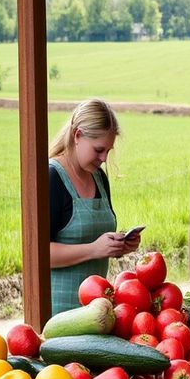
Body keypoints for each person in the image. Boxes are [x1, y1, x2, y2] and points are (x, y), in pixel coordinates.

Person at [48, 99, 140, 316]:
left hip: (96, 313)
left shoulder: (98, 177)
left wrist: (119, 245)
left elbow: (96, 240)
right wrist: (94, 249)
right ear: (77, 136)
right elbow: (39, 254)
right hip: (59, 316)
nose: (104, 158)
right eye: (99, 149)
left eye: (108, 150)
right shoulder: (52, 177)